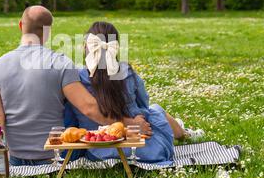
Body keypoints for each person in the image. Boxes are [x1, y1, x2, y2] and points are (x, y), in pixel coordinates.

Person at [0, 6, 151, 166]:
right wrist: (130, 123)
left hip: (15, 158)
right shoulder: (61, 63)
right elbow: (89, 108)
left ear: (21, 26)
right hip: (57, 155)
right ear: (49, 31)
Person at [64, 21, 204, 164]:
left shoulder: (74, 78)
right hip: (147, 150)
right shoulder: (127, 73)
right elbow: (144, 105)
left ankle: (183, 132)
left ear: (85, 47)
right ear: (115, 48)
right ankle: (184, 134)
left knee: (154, 111)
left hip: (99, 151)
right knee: (155, 110)